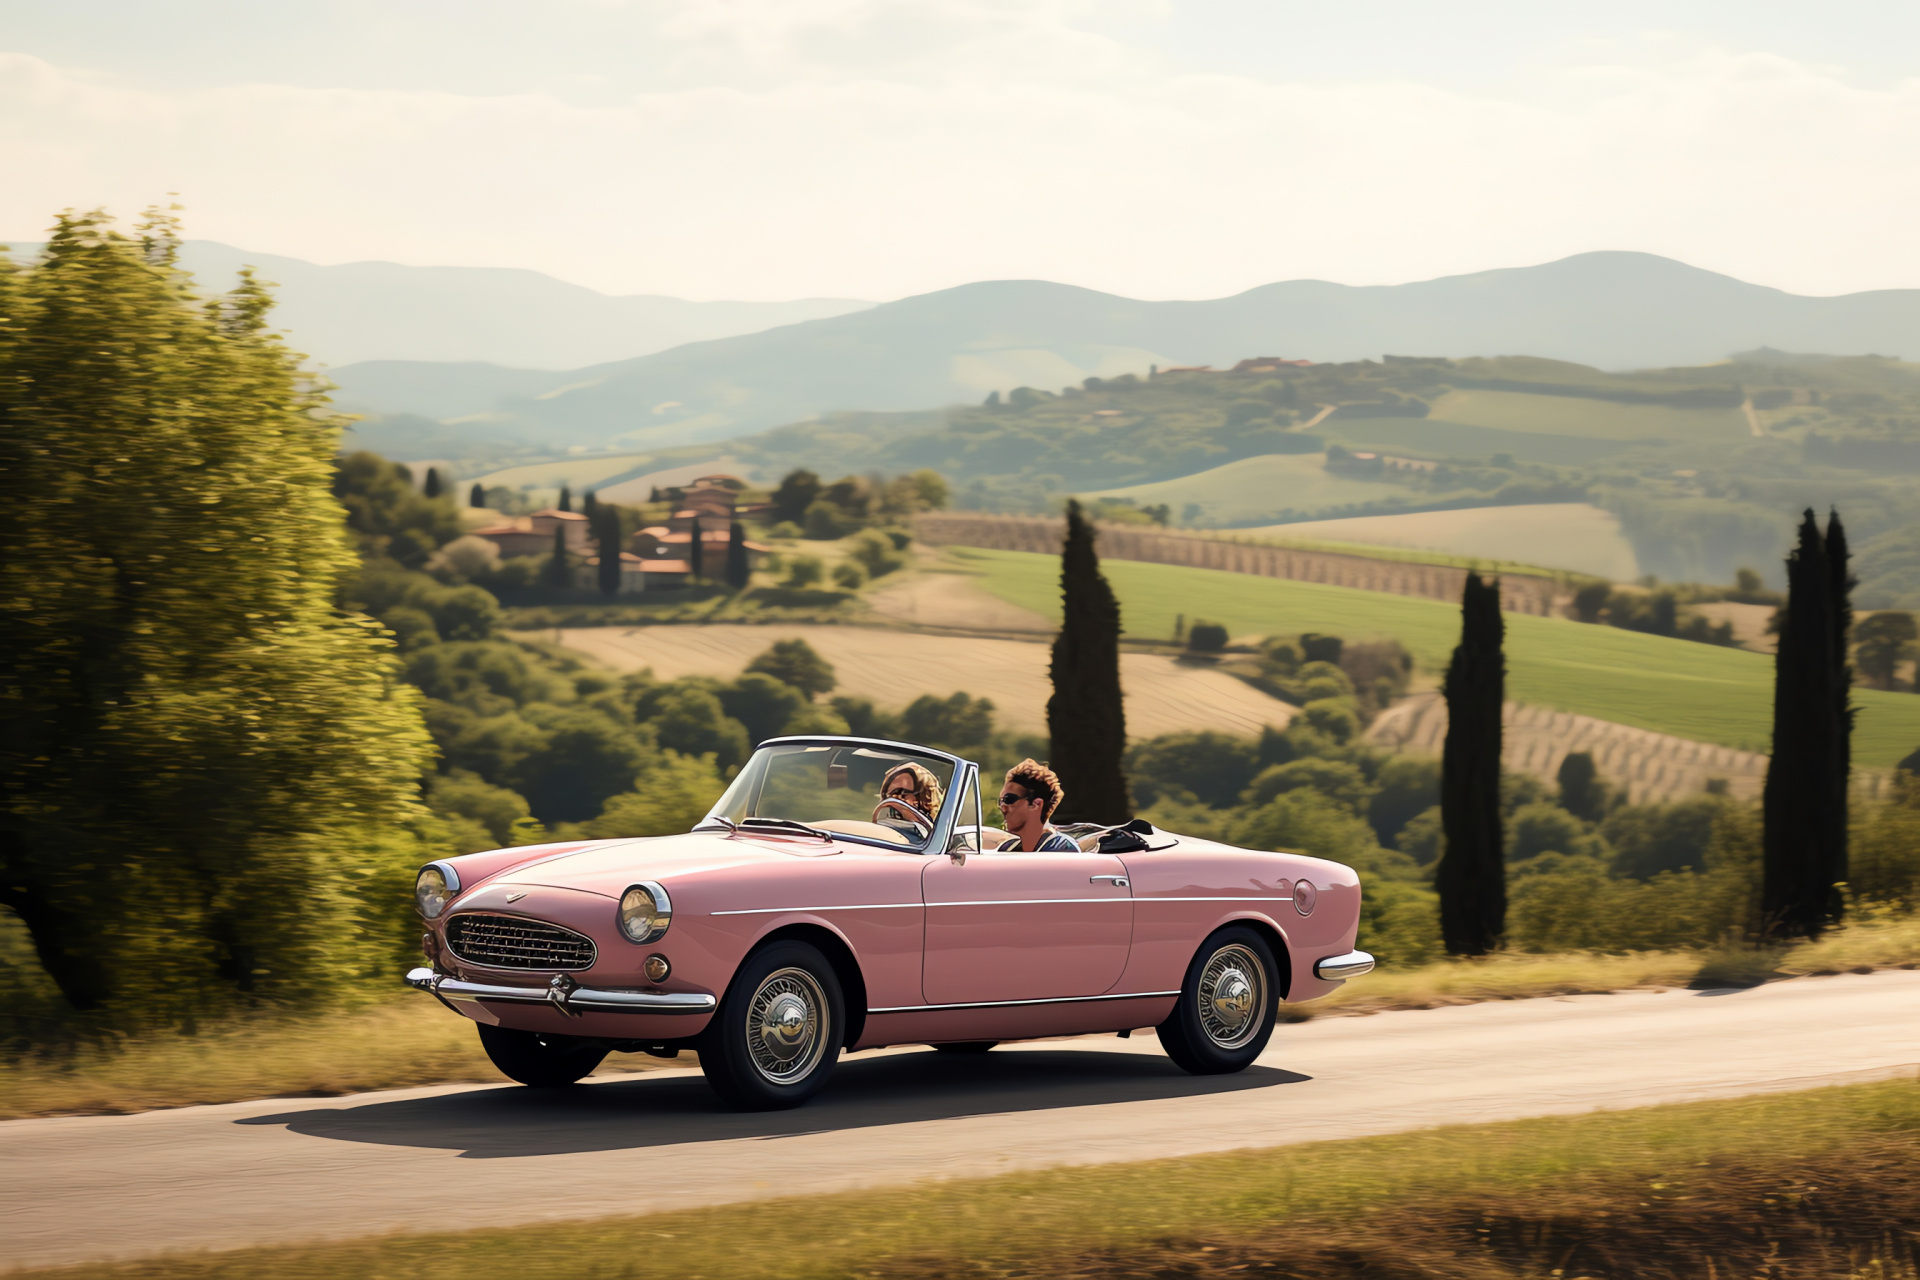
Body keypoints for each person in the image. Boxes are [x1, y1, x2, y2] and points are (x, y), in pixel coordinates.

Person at [996, 759, 1080, 852]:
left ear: (1036, 804)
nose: (1002, 807)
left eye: (1009, 799)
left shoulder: (1063, 849)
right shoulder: (1007, 848)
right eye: (1001, 801)